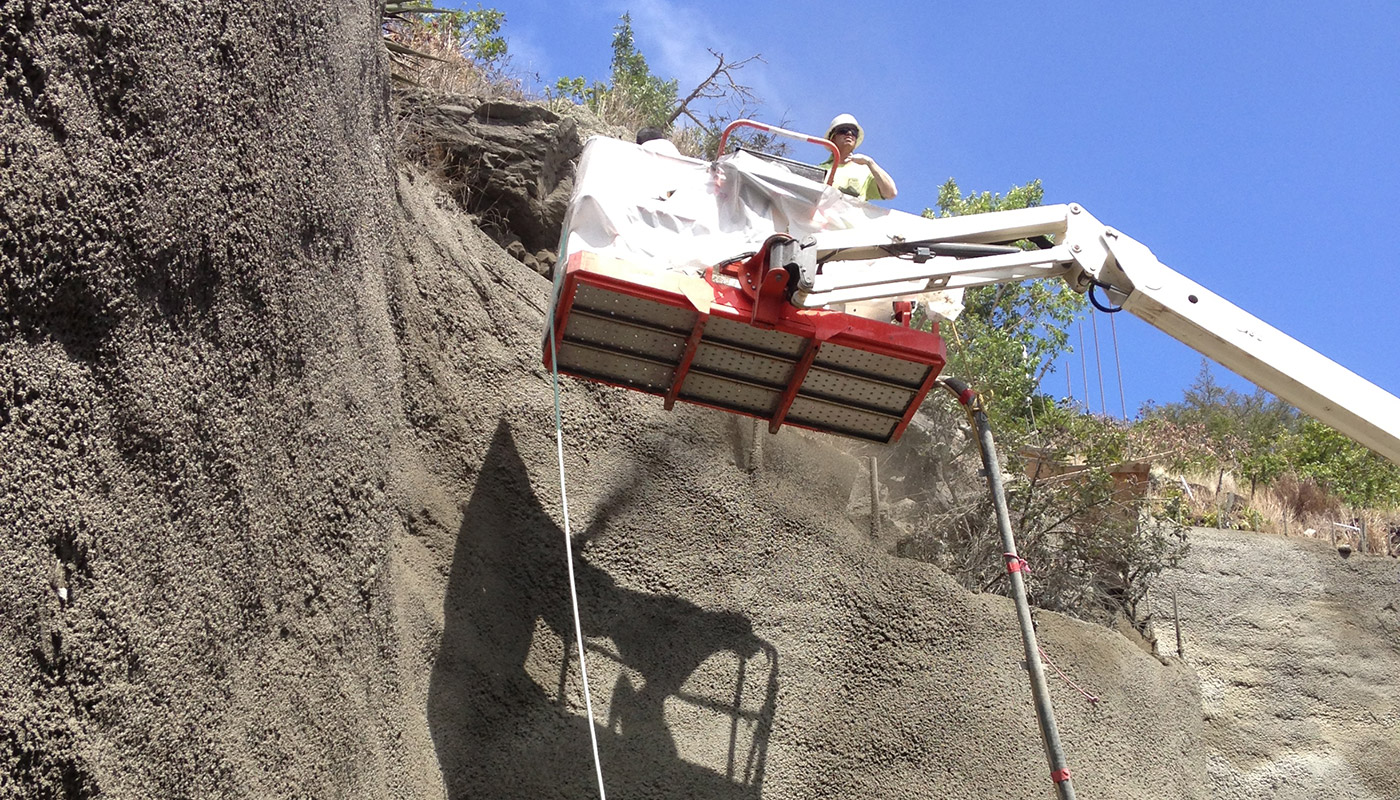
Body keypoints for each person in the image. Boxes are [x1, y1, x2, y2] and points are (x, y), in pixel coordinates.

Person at [820, 113, 897, 202]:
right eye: (843, 130)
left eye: (854, 132)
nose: (849, 133)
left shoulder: (865, 170)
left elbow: (891, 193)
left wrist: (870, 162)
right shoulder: (822, 169)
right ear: (832, 138)